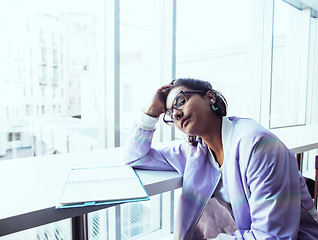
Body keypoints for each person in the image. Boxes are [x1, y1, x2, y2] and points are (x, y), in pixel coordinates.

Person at [123, 78, 318, 240]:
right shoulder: (196, 151)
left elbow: (273, 237)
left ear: (210, 97)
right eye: (170, 115)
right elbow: (135, 157)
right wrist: (150, 113)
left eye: (180, 102)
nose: (177, 114)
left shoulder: (258, 146)